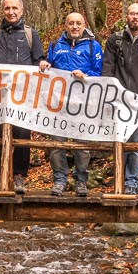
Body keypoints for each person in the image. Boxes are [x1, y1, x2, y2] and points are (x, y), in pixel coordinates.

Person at [0, 0, 49, 195]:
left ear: (22, 10)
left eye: (15, 8)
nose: (11, 12)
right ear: (3, 11)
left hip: (23, 95)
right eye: (7, 8)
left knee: (22, 134)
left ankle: (19, 176)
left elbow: (39, 59)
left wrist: (42, 63)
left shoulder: (30, 34)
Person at [102, 2, 138, 195]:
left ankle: (131, 182)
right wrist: (109, 92)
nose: (135, 17)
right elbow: (108, 68)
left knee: (137, 144)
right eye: (132, 14)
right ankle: (119, 178)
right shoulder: (115, 40)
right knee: (120, 142)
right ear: (126, 16)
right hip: (118, 100)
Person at [46, 12, 103, 197]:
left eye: (79, 23)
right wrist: (43, 65)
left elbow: (100, 72)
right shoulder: (55, 45)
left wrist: (86, 77)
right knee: (56, 144)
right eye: (71, 23)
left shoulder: (93, 46)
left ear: (84, 24)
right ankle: (60, 180)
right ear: (66, 25)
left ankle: (81, 180)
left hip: (83, 104)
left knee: (82, 145)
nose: (75, 27)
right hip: (58, 104)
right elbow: (47, 67)